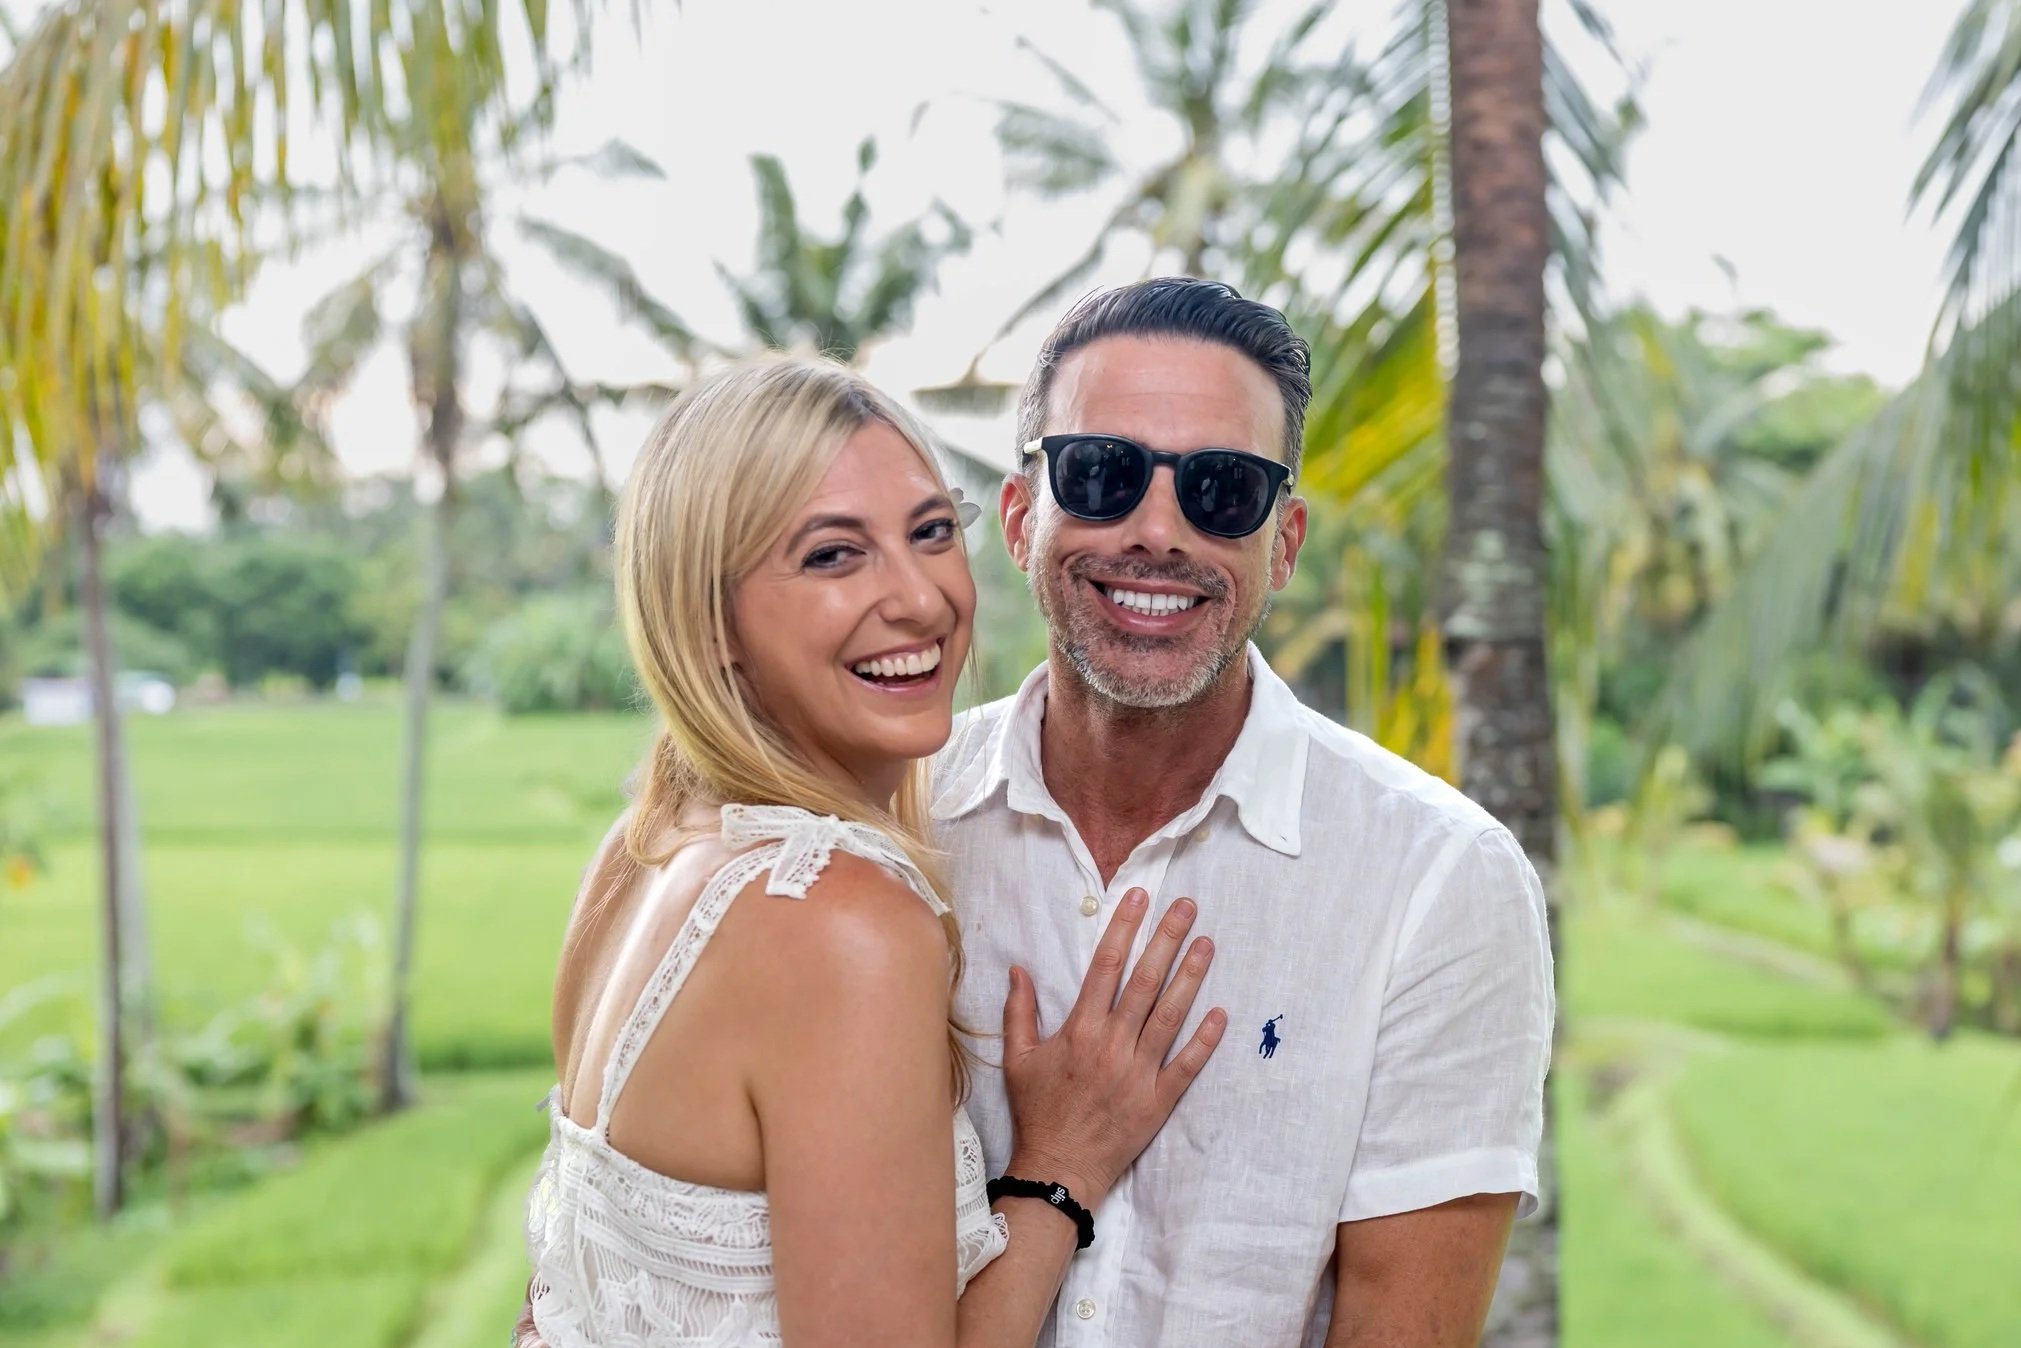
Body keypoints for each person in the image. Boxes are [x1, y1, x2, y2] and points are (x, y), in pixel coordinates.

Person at [520, 356, 1229, 1348]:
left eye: (930, 532)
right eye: (832, 556)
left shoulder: (640, 851)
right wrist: (1060, 1170)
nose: (921, 600)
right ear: (709, 618)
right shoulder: (839, 922)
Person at [931, 277, 1555, 1346]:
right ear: (1022, 517)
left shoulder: (1436, 880)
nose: (1156, 531)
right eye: (1100, 473)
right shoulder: (900, 817)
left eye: (1221, 490)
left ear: (1285, 542)